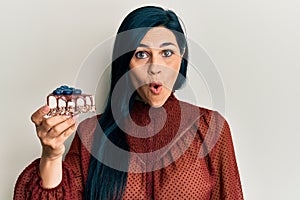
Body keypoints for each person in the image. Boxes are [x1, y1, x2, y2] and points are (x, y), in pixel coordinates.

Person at [14, 6, 244, 200]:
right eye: (141, 54)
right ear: (125, 62)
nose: (156, 67)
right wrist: (51, 155)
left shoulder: (211, 127)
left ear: (181, 56)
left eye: (167, 53)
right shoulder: (92, 134)